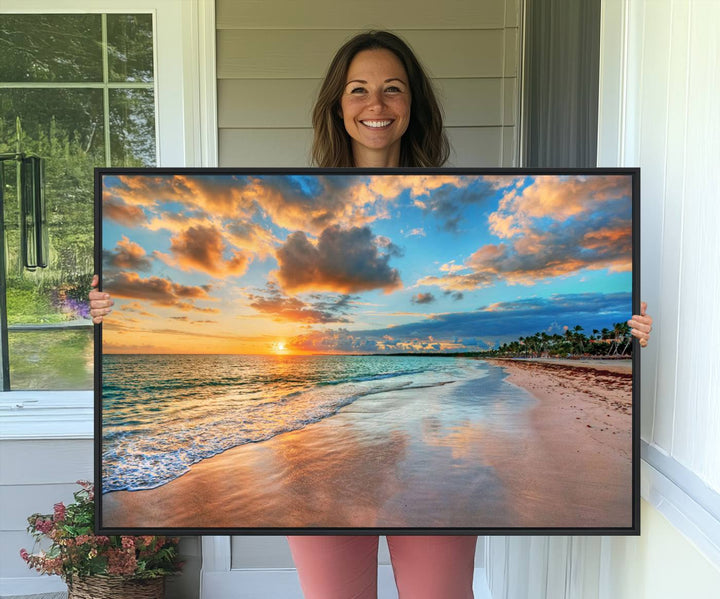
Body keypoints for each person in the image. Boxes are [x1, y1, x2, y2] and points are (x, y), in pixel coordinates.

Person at [89, 30, 653, 599]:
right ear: (338, 105)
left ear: (413, 105)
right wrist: (113, 305)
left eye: (392, 89)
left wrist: (629, 331)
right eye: (358, 90)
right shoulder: (294, 199)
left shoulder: (460, 192)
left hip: (434, 469)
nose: (376, 105)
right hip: (320, 467)